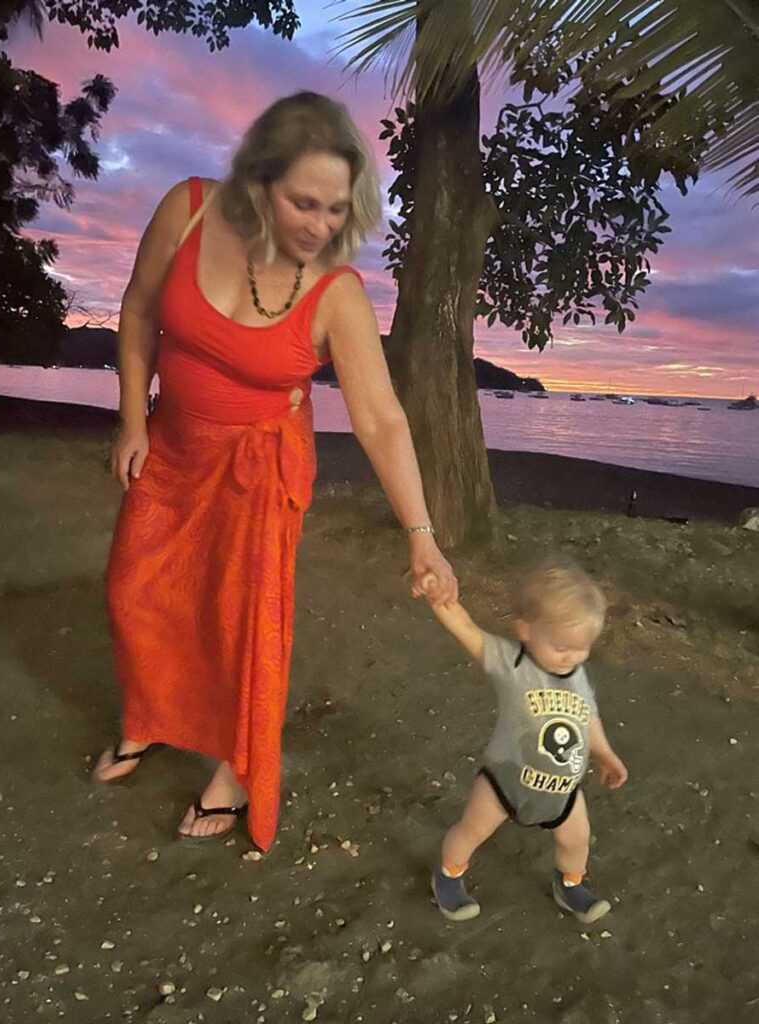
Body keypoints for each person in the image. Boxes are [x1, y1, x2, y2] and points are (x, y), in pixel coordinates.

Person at [92, 92, 457, 851]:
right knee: (136, 591)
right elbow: (136, 313)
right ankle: (149, 719)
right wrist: (131, 417)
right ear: (258, 179)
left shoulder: (335, 293)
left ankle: (235, 766)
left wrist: (421, 535)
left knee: (239, 624)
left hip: (260, 467)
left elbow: (382, 420)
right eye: (303, 202)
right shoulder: (188, 209)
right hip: (172, 445)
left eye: (335, 208)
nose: (321, 225)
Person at [426, 557, 628, 924]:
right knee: (471, 832)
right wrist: (439, 597)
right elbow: (467, 630)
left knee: (577, 841)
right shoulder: (511, 662)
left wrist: (606, 753)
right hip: (506, 781)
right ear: (526, 630)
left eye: (582, 647)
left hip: (563, 788)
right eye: (562, 647)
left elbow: (587, 716)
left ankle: (569, 885)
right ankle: (448, 875)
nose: (572, 657)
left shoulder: (578, 674)